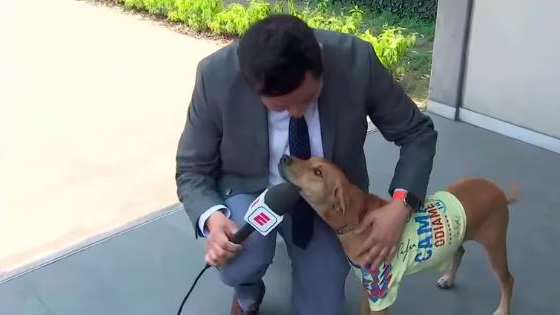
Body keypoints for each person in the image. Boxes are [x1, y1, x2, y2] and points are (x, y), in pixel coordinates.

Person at [175, 14, 437, 315]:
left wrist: (400, 207)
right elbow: (192, 168)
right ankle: (247, 288)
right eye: (281, 107)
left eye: (309, 98)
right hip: (250, 189)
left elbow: (417, 134)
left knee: (321, 309)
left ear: (321, 59)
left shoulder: (358, 62)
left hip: (328, 199)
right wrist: (212, 220)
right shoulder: (215, 76)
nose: (297, 114)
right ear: (250, 87)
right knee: (240, 263)